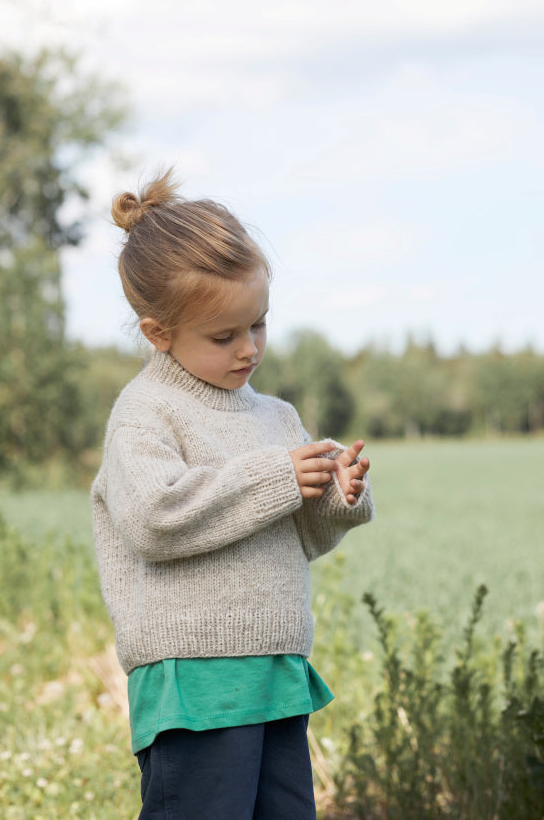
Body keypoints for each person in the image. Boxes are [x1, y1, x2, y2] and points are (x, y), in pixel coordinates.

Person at [91, 169, 374, 820]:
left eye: (258, 325)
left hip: (276, 671)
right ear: (157, 332)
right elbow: (153, 519)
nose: (248, 349)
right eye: (223, 336)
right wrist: (277, 477)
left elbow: (298, 536)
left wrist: (335, 497)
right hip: (194, 679)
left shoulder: (273, 416)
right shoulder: (146, 413)